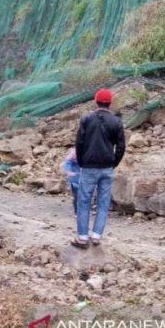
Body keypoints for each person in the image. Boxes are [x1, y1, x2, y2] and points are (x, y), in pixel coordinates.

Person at [72, 89, 126, 249]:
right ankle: (96, 236)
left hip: (88, 166)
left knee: (84, 202)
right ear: (110, 103)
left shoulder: (87, 118)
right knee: (103, 202)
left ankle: (82, 238)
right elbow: (121, 146)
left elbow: (79, 143)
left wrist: (81, 162)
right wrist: (114, 162)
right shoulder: (116, 122)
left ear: (96, 101)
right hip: (106, 167)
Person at [61, 147, 80, 214]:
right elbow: (68, 163)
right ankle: (77, 211)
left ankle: (82, 211)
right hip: (74, 180)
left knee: (84, 196)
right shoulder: (73, 154)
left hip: (84, 179)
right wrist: (68, 172)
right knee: (76, 196)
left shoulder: (87, 152)